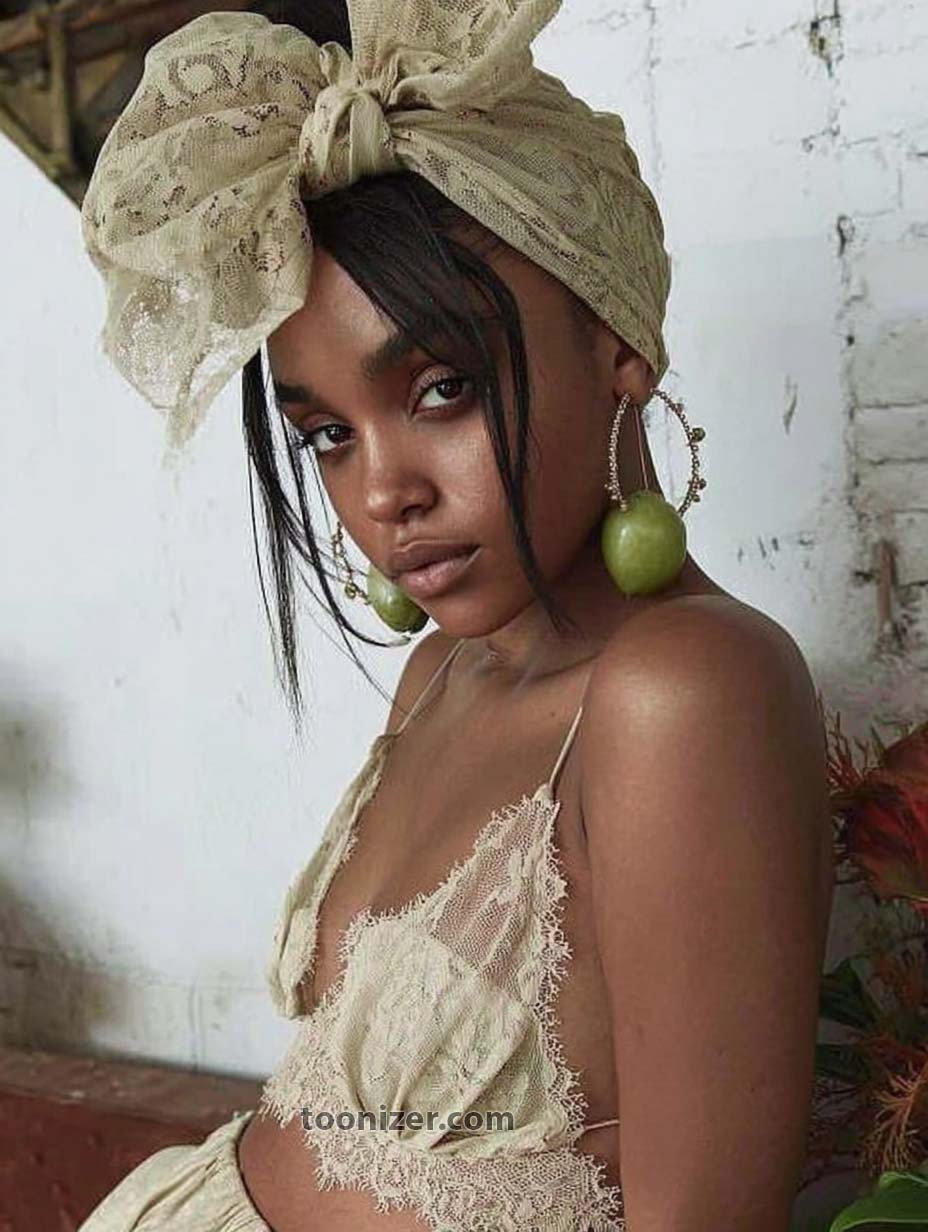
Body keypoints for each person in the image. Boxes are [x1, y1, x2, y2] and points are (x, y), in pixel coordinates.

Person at [77, 1, 835, 1229]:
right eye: (325, 431)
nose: (381, 492)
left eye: (442, 387)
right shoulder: (440, 668)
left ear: (618, 347)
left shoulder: (683, 692)